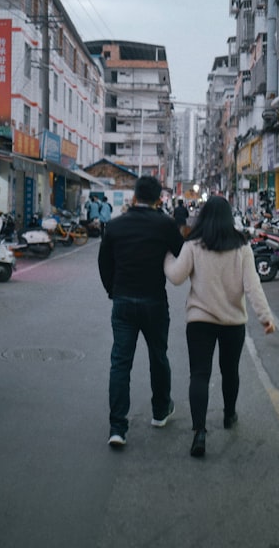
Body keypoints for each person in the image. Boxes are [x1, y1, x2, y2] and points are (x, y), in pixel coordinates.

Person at [163, 195, 275, 458]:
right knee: (230, 371)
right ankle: (229, 415)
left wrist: (168, 258)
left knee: (199, 375)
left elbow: (177, 277)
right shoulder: (242, 247)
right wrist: (265, 317)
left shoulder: (193, 245)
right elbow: (252, 286)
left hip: (199, 321)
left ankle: (199, 431)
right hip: (232, 322)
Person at [98, 176, 185, 449]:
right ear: (159, 199)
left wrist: (114, 290)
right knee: (158, 357)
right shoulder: (166, 225)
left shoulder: (115, 226)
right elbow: (180, 253)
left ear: (134, 196)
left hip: (123, 301)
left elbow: (104, 263)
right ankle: (160, 411)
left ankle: (117, 428)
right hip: (154, 301)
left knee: (120, 362)